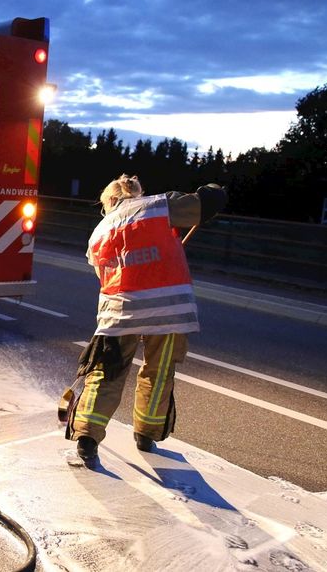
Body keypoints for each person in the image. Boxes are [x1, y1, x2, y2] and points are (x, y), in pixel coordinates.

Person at [61, 174, 227, 467]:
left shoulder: (99, 231)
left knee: (105, 373)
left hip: (118, 312)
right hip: (167, 311)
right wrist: (213, 190)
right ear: (137, 193)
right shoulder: (159, 207)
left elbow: (104, 276)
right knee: (158, 373)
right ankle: (146, 434)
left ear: (108, 201)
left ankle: (87, 437)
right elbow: (205, 205)